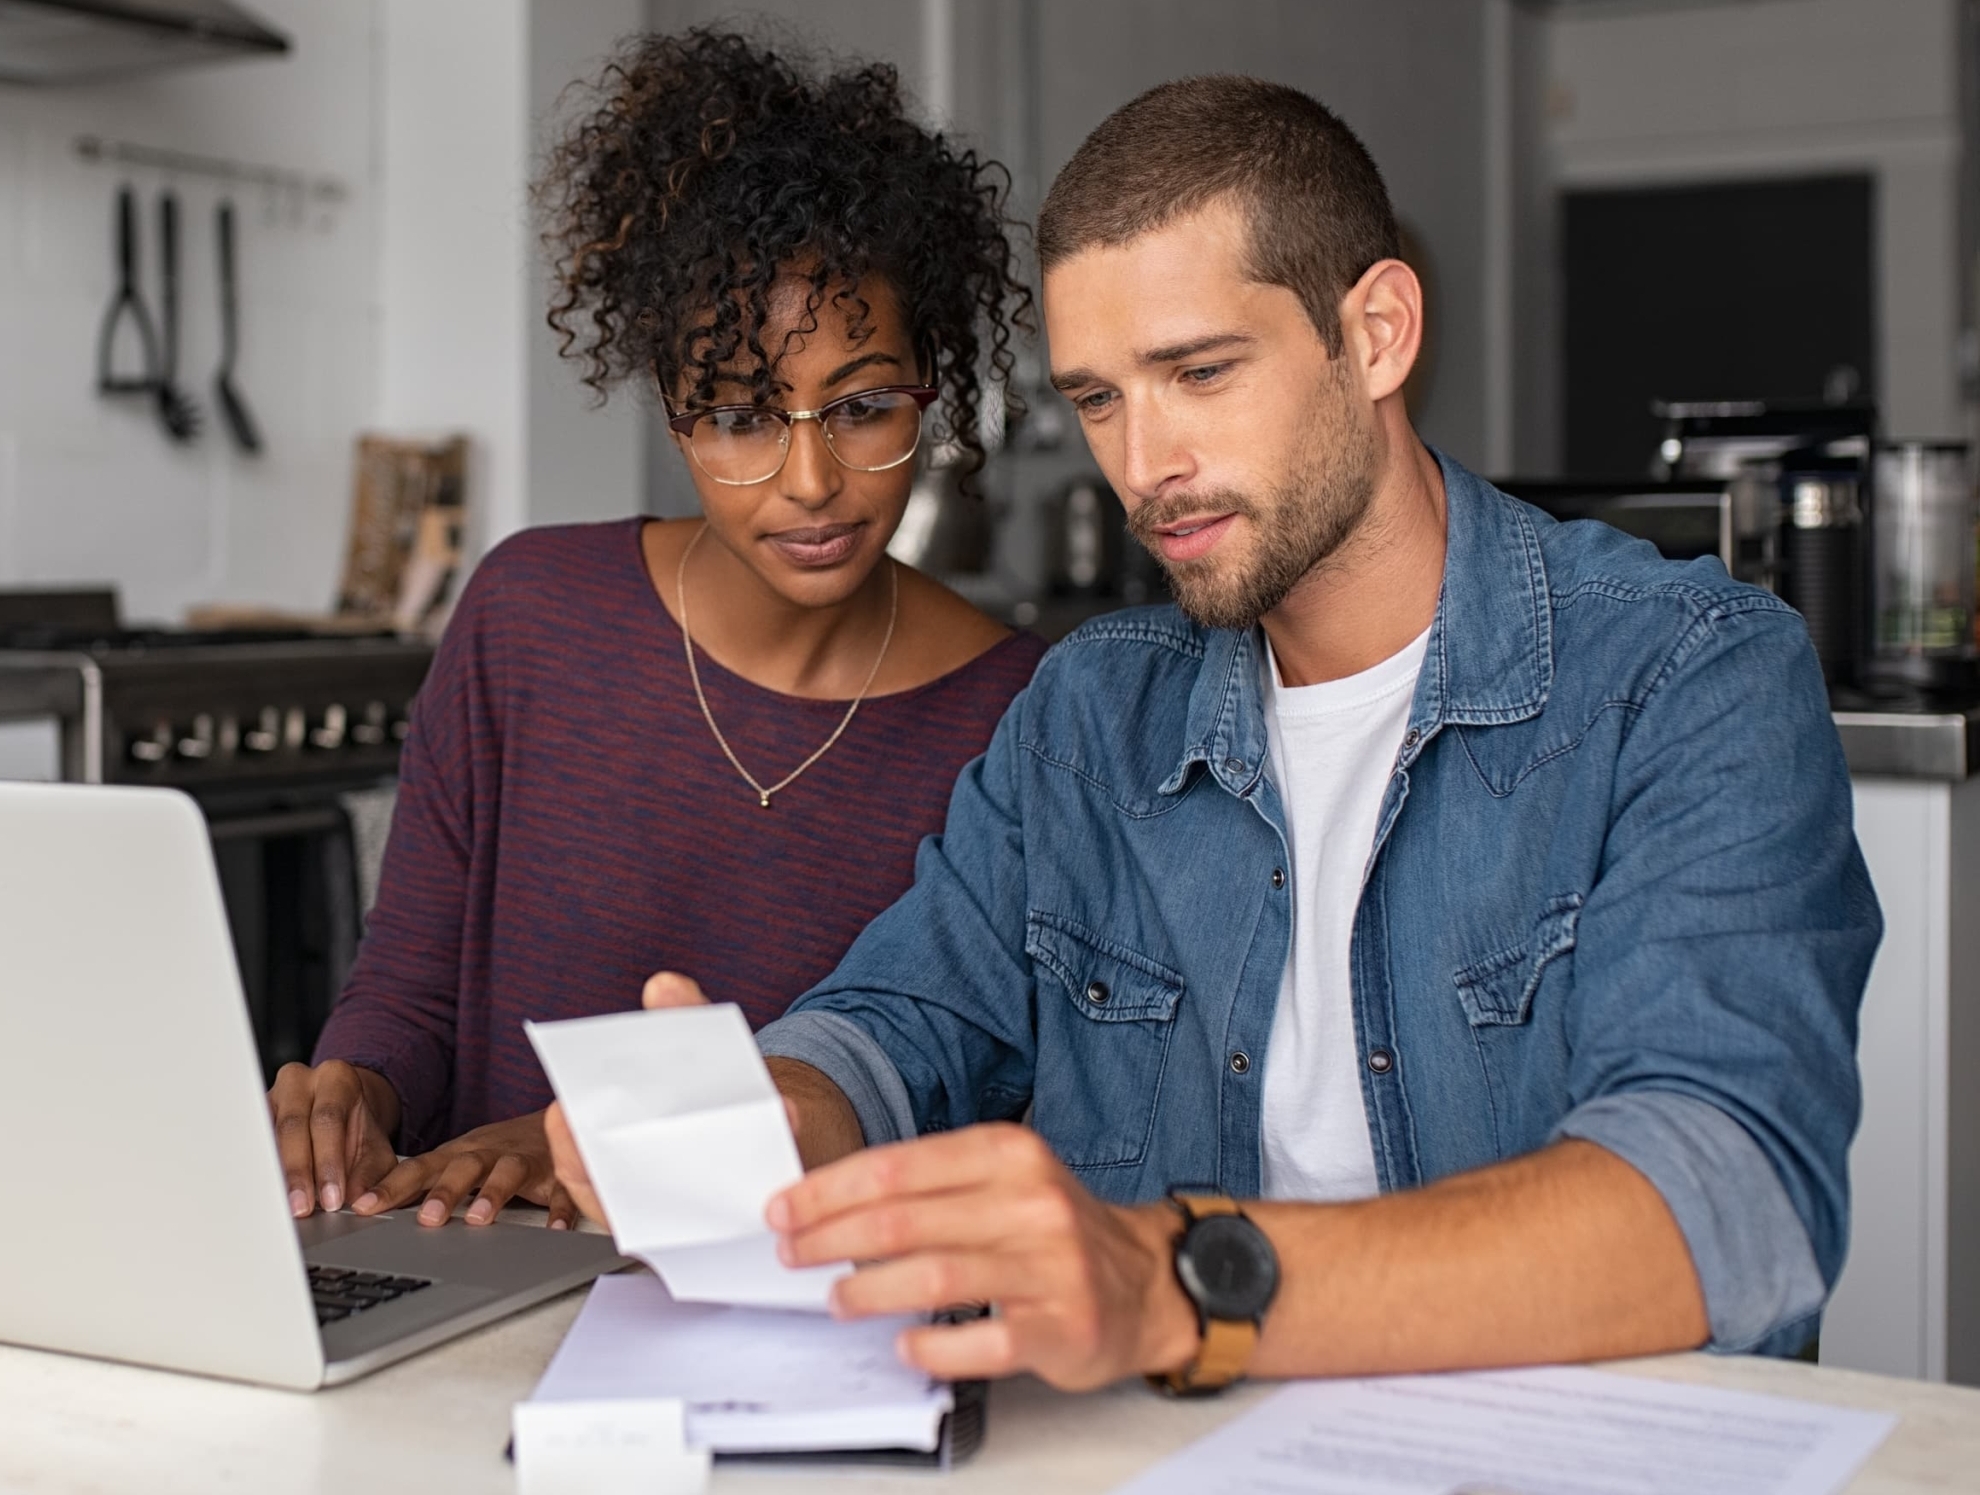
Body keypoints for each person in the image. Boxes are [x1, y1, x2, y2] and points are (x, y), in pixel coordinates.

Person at [553, 74, 1879, 1392]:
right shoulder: (1091, 713)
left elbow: (1730, 1200)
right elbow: (904, 1015)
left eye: (1198, 372)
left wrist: (1181, 1281)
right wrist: (771, 1110)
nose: (1143, 463)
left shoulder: (1686, 674)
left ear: (1377, 334)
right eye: (1100, 398)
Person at [271, 30, 1045, 1232]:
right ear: (674, 416)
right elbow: (411, 994)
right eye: (738, 415)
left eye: (863, 406)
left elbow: (961, 1099)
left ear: (930, 391)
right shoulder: (528, 616)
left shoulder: (1017, 715)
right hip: (473, 1279)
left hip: (794, 1325)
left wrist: (585, 1145)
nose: (808, 480)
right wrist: (352, 1093)